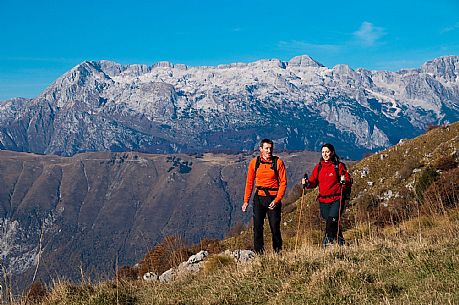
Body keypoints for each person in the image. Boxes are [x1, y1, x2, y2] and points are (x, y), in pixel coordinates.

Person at [242, 139, 287, 254]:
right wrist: (246, 201)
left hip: (273, 198)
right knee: (257, 227)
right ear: (261, 149)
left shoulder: (278, 162)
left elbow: (283, 183)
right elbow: (249, 182)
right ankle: (259, 254)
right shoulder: (254, 162)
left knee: (274, 227)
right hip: (259, 198)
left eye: (271, 148)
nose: (269, 151)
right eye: (266, 148)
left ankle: (278, 252)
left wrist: (277, 200)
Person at [302, 143, 351, 247]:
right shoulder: (319, 167)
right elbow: (313, 182)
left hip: (337, 199)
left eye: (327, 152)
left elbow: (347, 180)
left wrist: (344, 181)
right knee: (333, 223)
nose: (325, 154)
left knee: (331, 221)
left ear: (332, 153)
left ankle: (326, 244)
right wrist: (306, 183)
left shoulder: (338, 166)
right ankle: (341, 244)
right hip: (323, 201)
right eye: (323, 152)